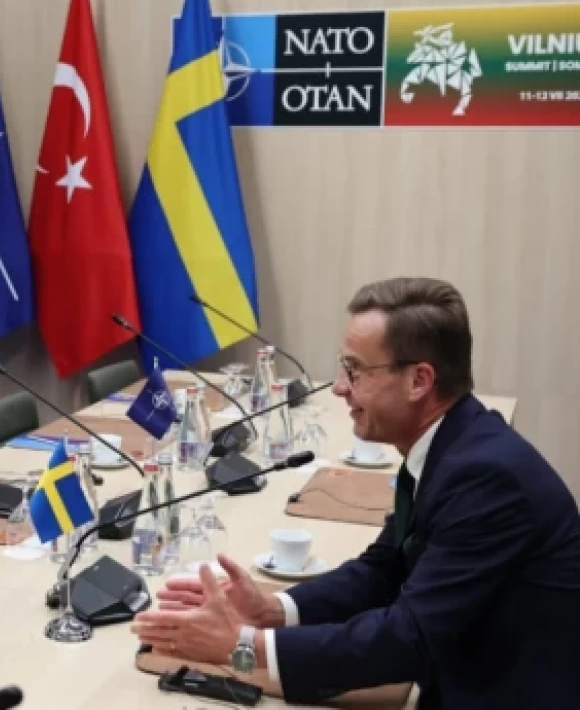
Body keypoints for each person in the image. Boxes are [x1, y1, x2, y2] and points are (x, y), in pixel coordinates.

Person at [133, 277, 580, 708]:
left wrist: (244, 645)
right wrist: (272, 610)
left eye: (355, 370)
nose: (339, 387)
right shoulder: (454, 445)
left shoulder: (487, 478)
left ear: (419, 380)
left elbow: (409, 639)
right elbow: (383, 569)